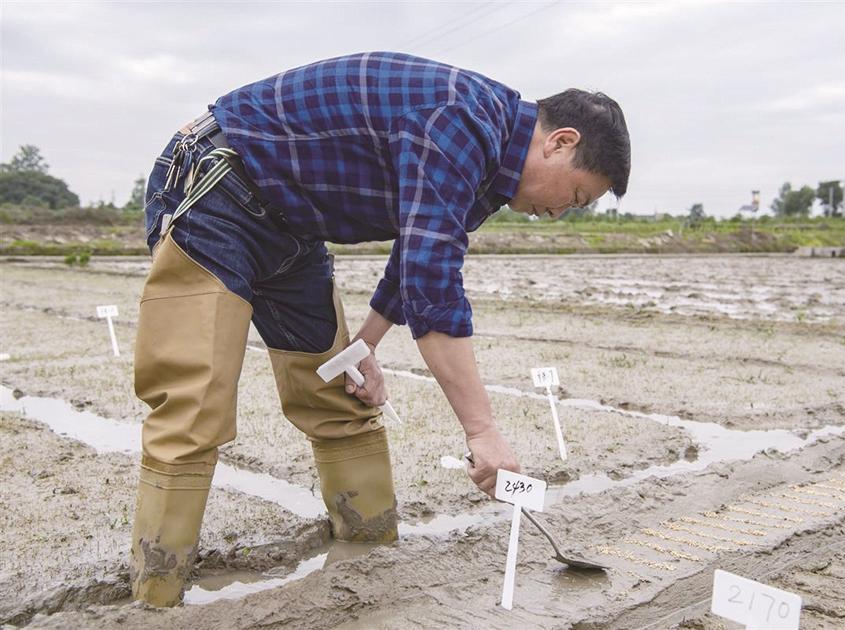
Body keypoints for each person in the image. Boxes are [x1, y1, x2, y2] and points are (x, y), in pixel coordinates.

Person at [130, 51, 631, 606]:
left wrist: (364, 344)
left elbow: (414, 254)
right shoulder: (459, 119)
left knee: (338, 394)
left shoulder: (490, 173)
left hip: (293, 222)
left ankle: (372, 562)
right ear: (560, 142)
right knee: (193, 401)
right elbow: (431, 283)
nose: (561, 212)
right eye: (577, 196)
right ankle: (157, 595)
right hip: (219, 186)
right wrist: (482, 431)